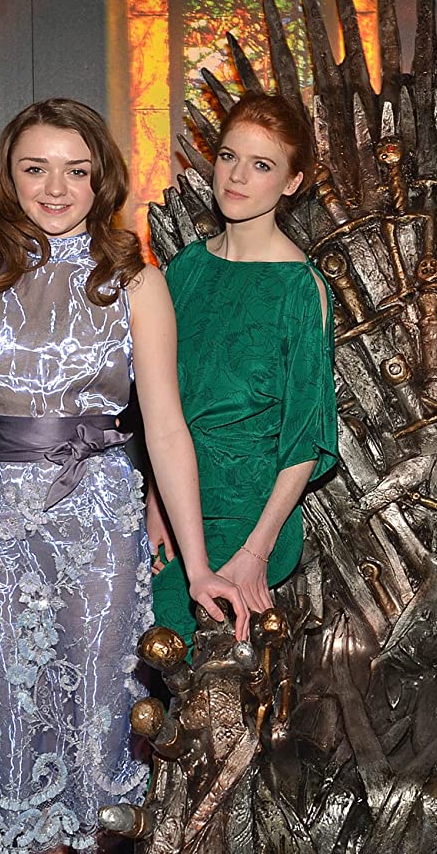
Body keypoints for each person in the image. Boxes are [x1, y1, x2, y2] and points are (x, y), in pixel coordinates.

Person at [0, 98, 240, 852]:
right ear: (9, 179)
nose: (56, 188)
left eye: (75, 171)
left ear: (101, 180)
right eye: (35, 168)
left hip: (94, 522)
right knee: (6, 707)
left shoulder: (137, 285)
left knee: (96, 708)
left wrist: (198, 563)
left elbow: (167, 428)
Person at [150, 93, 338, 648]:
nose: (236, 177)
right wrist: (157, 504)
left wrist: (257, 550)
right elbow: (159, 408)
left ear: (292, 182)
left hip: (250, 521)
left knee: (210, 683)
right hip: (175, 512)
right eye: (229, 157)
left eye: (261, 165)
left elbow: (306, 439)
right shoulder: (186, 268)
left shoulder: (301, 288)